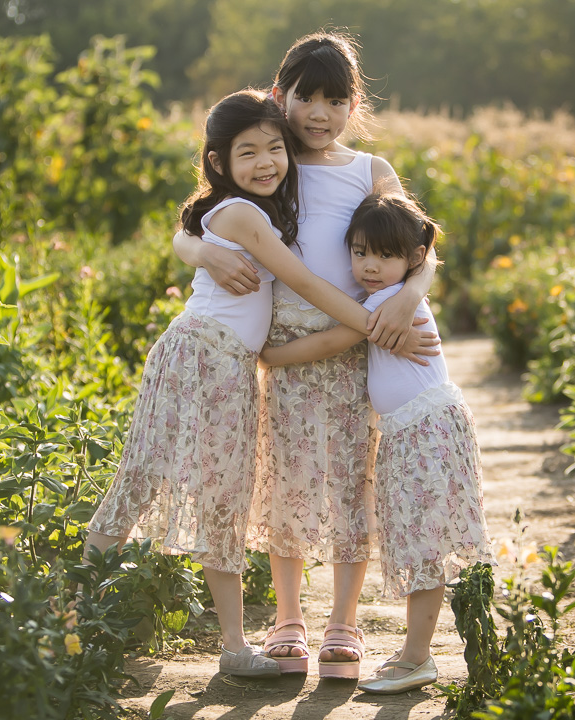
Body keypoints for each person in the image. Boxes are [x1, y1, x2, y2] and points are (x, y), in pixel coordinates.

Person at [84, 89, 415, 678]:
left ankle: (234, 646)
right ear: (218, 162)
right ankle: (72, 616)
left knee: (226, 499)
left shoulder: (267, 206)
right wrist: (378, 325)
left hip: (236, 368)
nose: (267, 162)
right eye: (248, 152)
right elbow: (305, 282)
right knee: (139, 480)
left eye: (273, 149)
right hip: (197, 358)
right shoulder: (240, 215)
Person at [174, 31, 439, 678]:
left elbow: (420, 245)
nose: (319, 112)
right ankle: (288, 618)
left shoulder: (370, 170)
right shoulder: (268, 159)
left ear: (355, 104)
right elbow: (191, 224)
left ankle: (343, 622)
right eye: (306, 96)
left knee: (355, 482)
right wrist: (203, 252)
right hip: (283, 350)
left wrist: (410, 297)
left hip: (358, 350)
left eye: (335, 98)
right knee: (284, 482)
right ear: (279, 95)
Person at [260, 191, 493, 694]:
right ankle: (414, 653)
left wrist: (268, 356)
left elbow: (330, 341)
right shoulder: (385, 296)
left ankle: (417, 658)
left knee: (423, 542)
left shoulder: (388, 305)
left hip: (424, 431)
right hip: (411, 431)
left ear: (412, 259)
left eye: (385, 256)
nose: (369, 265)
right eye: (360, 252)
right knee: (415, 539)